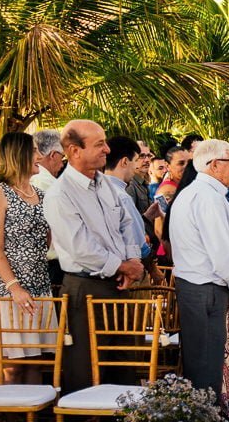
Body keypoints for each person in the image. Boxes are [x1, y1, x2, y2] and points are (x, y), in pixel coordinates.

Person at [43, 120, 145, 393]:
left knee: (123, 361)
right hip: (85, 287)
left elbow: (126, 223)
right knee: (86, 367)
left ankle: (124, 418)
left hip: (118, 284)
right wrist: (123, 266)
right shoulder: (60, 194)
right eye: (99, 144)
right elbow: (81, 248)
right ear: (74, 151)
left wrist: (132, 261)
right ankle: (88, 419)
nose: (107, 150)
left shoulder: (106, 185)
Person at [169, 139, 229, 422]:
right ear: (214, 165)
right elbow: (220, 249)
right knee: (204, 363)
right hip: (204, 287)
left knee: (208, 361)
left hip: (200, 286)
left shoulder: (200, 194)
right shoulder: (207, 197)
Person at [0, 133, 52, 422]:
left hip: (40, 287)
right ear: (18, 156)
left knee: (35, 363)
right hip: (10, 292)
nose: (40, 156)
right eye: (34, 151)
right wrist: (14, 287)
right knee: (12, 365)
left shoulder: (40, 194)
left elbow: (47, 239)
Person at [103, 136, 163, 283]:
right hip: (128, 271)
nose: (138, 164)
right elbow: (138, 242)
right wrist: (152, 269)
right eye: (137, 159)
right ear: (125, 161)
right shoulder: (122, 196)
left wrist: (145, 218)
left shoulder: (96, 190)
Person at [30, 129, 65, 286]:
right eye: (62, 157)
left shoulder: (40, 180)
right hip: (50, 263)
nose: (62, 164)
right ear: (53, 155)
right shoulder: (45, 183)